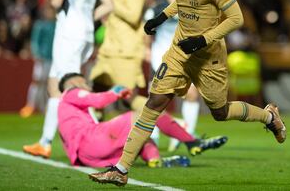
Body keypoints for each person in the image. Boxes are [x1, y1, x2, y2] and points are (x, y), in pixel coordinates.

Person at [89, 0, 287, 186]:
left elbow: (236, 18)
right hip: (180, 51)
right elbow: (183, 2)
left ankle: (269, 116)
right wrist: (161, 17)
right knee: (154, 102)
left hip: (208, 57)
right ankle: (121, 169)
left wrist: (204, 39)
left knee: (220, 112)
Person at [23, 0, 113, 158]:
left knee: (74, 86)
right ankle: (45, 142)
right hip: (84, 34)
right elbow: (109, 5)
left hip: (69, 34)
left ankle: (102, 140)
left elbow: (55, 1)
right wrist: (89, 18)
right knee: (55, 86)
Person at [57, 73, 227, 170]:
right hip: (93, 141)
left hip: (89, 156)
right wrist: (115, 92)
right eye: (84, 82)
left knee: (141, 133)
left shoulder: (65, 110)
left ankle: (155, 160)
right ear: (74, 82)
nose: (87, 84)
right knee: (147, 114)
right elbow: (98, 101)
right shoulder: (72, 92)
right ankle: (191, 142)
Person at [145, 0, 201, 150]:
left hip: (183, 59)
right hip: (160, 59)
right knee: (155, 98)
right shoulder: (157, 8)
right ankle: (152, 136)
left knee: (192, 95)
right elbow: (145, 36)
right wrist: (146, 51)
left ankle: (186, 136)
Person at [90, 0, 148, 112]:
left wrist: (112, 3)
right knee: (96, 94)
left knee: (128, 98)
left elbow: (133, 15)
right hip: (109, 50)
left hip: (125, 51)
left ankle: (174, 124)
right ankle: (95, 135)